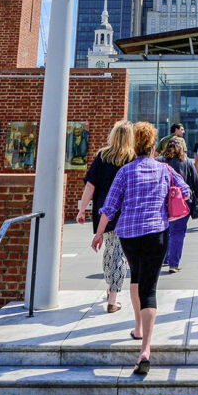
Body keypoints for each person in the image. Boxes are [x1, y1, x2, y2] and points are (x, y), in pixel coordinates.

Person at [92, 121, 190, 375]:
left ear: (134, 145)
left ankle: (137, 327)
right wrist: (166, 207)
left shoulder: (125, 172)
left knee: (136, 276)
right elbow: (186, 191)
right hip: (156, 232)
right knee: (149, 288)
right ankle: (145, 348)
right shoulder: (164, 169)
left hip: (129, 235)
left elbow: (110, 206)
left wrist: (99, 233)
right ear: (152, 146)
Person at [77, 120, 135, 313]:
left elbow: (90, 185)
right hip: (126, 212)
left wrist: (82, 209)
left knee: (110, 250)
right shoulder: (133, 157)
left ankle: (110, 289)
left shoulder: (102, 156)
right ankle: (113, 299)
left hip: (104, 212)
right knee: (120, 254)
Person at [157, 137, 198, 273]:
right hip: (182, 202)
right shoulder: (186, 162)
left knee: (165, 231)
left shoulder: (159, 161)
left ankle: (164, 259)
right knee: (178, 232)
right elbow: (195, 181)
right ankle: (174, 263)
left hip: (163, 201)